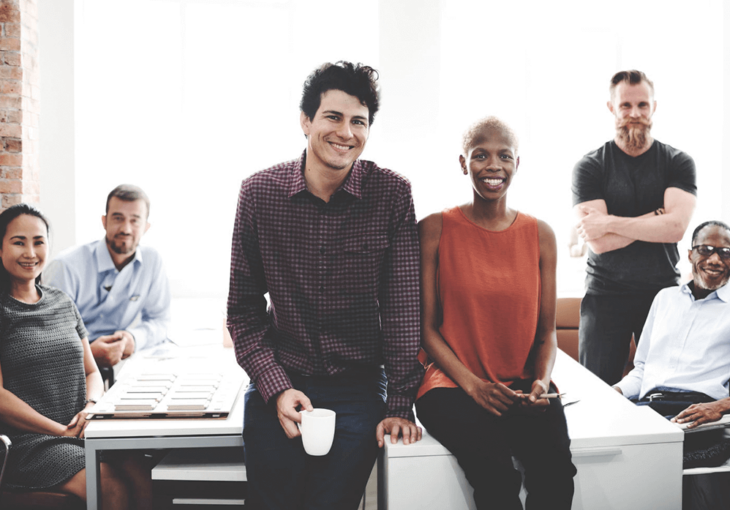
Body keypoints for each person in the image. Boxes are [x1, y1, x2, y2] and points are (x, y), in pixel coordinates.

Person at [227, 61, 423, 510]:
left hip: (357, 385)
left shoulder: (392, 193)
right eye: (333, 117)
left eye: (359, 121)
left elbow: (403, 307)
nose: (346, 132)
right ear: (306, 121)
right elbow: (243, 311)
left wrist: (399, 402)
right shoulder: (258, 193)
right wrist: (276, 387)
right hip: (282, 372)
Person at [415, 117, 576, 510]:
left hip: (521, 387)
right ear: (462, 163)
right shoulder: (434, 229)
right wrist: (474, 386)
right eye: (480, 155)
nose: (493, 165)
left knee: (557, 478)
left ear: (517, 164)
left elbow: (546, 334)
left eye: (504, 156)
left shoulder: (541, 235)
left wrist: (541, 382)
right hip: (452, 387)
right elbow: (427, 330)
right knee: (497, 482)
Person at [0, 203, 151, 509]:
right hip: (28, 444)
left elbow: (92, 372)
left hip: (81, 432)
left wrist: (92, 408)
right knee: (110, 486)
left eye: (38, 241)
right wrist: (63, 431)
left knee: (141, 472)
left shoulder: (62, 301)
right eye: (19, 242)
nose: (30, 252)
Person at [615, 221, 730, 510]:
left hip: (702, 418)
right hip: (648, 412)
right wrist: (615, 393)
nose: (714, 259)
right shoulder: (664, 299)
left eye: (724, 252)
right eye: (705, 249)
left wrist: (722, 406)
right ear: (690, 255)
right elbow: (643, 370)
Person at [572, 69, 698, 385]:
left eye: (642, 105)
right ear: (611, 108)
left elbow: (675, 229)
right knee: (597, 393)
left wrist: (610, 222)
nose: (635, 114)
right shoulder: (589, 166)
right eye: (626, 106)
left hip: (662, 293)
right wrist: (655, 217)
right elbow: (598, 243)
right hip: (604, 295)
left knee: (663, 393)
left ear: (654, 107)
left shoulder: (678, 162)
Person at [46, 184, 171, 368]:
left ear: (146, 226)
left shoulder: (152, 262)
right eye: (118, 218)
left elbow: (160, 321)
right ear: (104, 221)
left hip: (120, 363)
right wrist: (85, 353)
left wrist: (133, 339)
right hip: (67, 367)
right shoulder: (66, 266)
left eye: (135, 220)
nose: (126, 229)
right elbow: (48, 334)